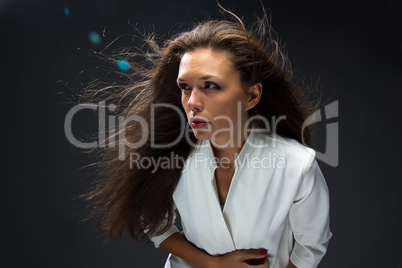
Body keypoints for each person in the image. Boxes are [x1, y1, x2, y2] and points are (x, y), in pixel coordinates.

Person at [81, 6, 332, 268]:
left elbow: (310, 247)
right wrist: (213, 264)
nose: (193, 102)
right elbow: (155, 223)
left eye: (210, 86)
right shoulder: (170, 152)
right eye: (185, 87)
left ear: (252, 96)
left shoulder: (297, 164)